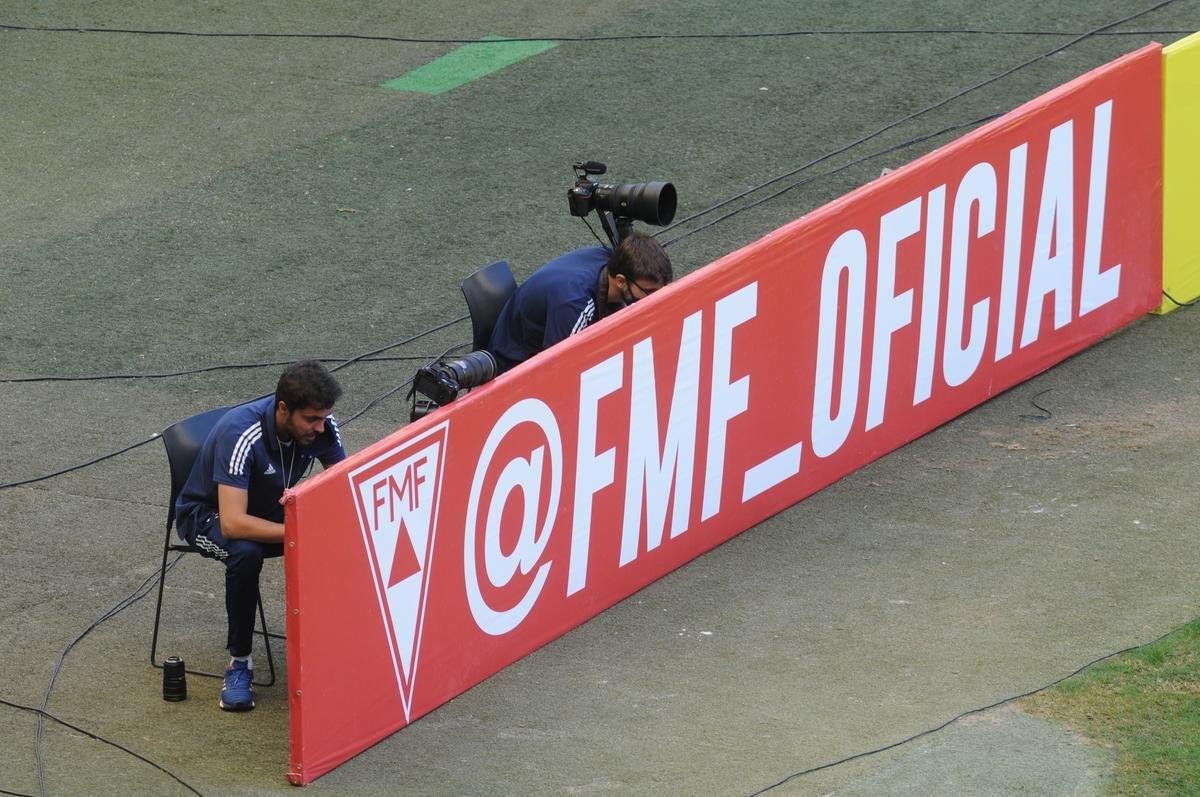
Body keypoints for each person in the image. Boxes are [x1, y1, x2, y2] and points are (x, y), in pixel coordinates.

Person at [175, 360, 346, 711]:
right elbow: (233, 524)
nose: (319, 427)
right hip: (208, 515)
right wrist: (303, 531)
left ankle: (335, 649)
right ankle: (239, 664)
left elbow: (344, 488)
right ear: (284, 409)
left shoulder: (323, 426)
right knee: (246, 552)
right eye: (310, 419)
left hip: (270, 510)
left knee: (342, 531)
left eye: (323, 417)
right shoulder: (242, 433)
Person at [487, 231, 673, 373]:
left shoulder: (615, 261)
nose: (655, 299)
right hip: (512, 364)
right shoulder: (575, 305)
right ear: (621, 281)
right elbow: (562, 371)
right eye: (649, 292)